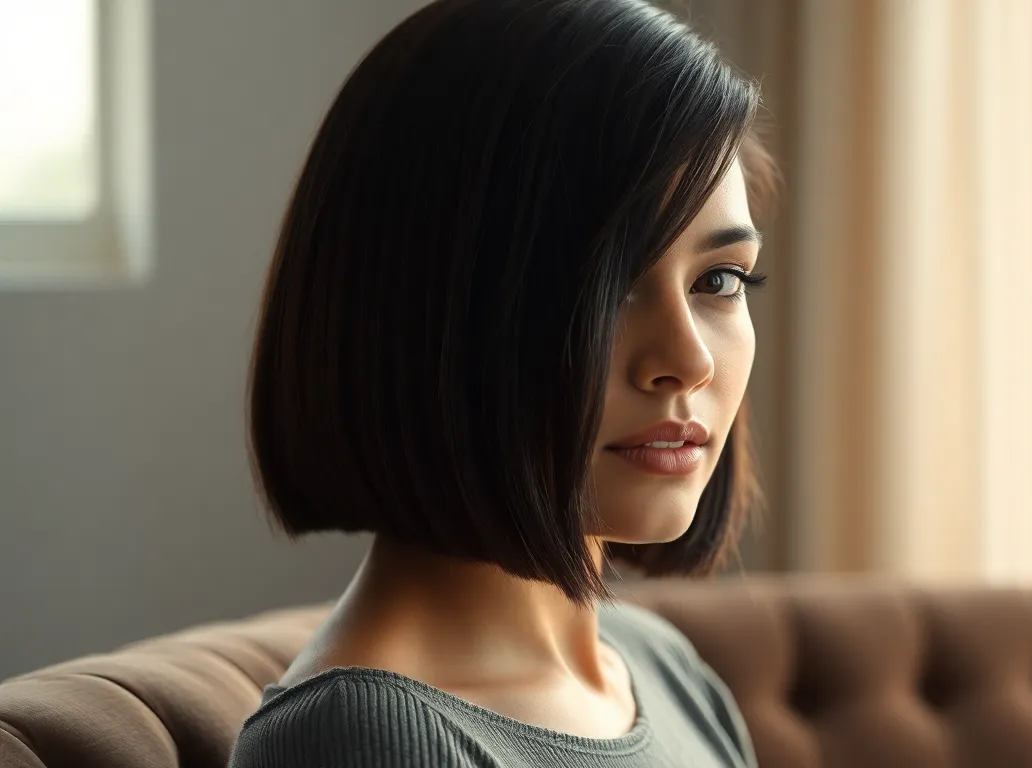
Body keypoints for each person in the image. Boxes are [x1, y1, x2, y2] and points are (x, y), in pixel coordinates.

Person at [227, 0, 777, 765]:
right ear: (431, 314)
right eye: (608, 286)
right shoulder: (360, 743)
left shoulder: (659, 667)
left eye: (718, 279)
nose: (689, 361)